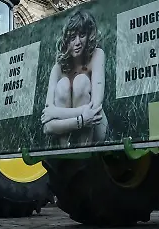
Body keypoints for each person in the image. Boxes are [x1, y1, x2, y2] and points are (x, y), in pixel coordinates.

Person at [41, 9, 108, 147]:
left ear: (89, 35)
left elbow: (95, 110)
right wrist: (81, 119)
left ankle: (84, 152)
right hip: (74, 128)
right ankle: (67, 153)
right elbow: (47, 126)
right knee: (63, 84)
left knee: (81, 81)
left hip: (96, 129)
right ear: (66, 41)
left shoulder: (97, 55)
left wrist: (56, 113)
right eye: (72, 38)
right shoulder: (58, 69)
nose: (77, 42)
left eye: (82, 35)